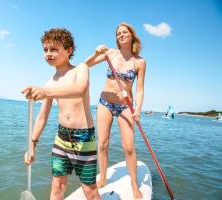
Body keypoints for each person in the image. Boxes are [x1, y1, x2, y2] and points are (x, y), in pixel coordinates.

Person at [22, 28, 100, 200]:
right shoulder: (50, 82)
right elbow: (42, 116)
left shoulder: (81, 68)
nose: (48, 54)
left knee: (89, 189)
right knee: (57, 184)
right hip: (61, 138)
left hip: (84, 138)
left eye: (54, 49)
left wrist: (45, 92)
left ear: (69, 50)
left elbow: (80, 89)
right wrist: (32, 145)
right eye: (45, 50)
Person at [85, 22, 146, 199]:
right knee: (102, 143)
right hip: (105, 103)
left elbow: (140, 89)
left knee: (128, 147)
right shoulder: (110, 53)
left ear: (132, 35)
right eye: (118, 33)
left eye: (124, 32)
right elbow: (86, 65)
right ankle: (103, 178)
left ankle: (135, 184)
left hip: (126, 106)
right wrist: (96, 53)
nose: (121, 35)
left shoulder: (140, 62)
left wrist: (139, 109)